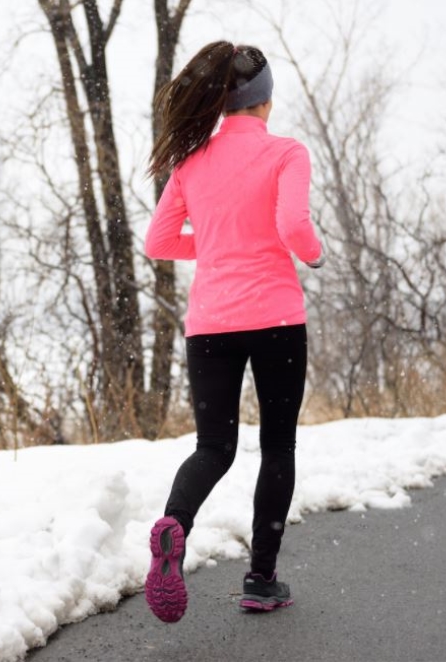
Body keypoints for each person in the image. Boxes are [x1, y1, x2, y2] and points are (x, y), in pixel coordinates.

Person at [142, 40, 324, 623]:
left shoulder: (191, 161)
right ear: (265, 101)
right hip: (275, 321)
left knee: (213, 447)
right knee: (278, 444)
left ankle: (174, 524)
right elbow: (293, 225)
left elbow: (158, 243)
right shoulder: (286, 153)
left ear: (223, 104)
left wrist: (216, 242)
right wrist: (313, 255)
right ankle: (261, 578)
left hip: (210, 328)